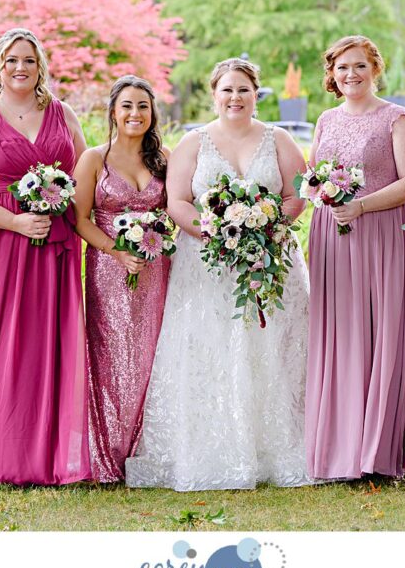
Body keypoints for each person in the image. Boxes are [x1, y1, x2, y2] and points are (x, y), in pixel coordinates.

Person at [125, 58, 312, 491]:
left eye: (243, 90)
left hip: (269, 261)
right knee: (210, 351)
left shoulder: (278, 139)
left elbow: (296, 194)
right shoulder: (194, 142)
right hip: (206, 262)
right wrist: (216, 234)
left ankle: (275, 448)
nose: (235, 98)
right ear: (214, 94)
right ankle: (213, 448)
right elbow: (178, 202)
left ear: (255, 94)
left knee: (271, 351)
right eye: (227, 90)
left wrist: (262, 225)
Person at [0, 28, 91, 486]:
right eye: (11, 60)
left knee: (45, 344)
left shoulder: (63, 114)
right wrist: (16, 222)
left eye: (28, 60)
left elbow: (85, 174)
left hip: (53, 246)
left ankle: (46, 454)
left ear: (40, 65)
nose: (20, 68)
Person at [305, 35, 405, 481]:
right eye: (341, 67)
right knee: (340, 335)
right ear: (332, 75)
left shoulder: (396, 118)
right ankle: (339, 449)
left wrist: (362, 205)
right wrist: (323, 198)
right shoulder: (325, 119)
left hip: (380, 234)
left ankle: (378, 452)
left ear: (375, 68)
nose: (350, 74)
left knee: (383, 332)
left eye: (359, 66)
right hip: (332, 236)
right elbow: (313, 175)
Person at [73, 75, 172, 483]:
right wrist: (118, 252)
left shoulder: (165, 158)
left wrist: (155, 246)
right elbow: (79, 219)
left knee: (152, 355)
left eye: (143, 106)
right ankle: (106, 453)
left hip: (156, 270)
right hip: (107, 270)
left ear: (152, 113)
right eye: (127, 105)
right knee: (109, 355)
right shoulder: (94, 159)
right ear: (113, 111)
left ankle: (145, 452)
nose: (135, 114)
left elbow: (177, 207)